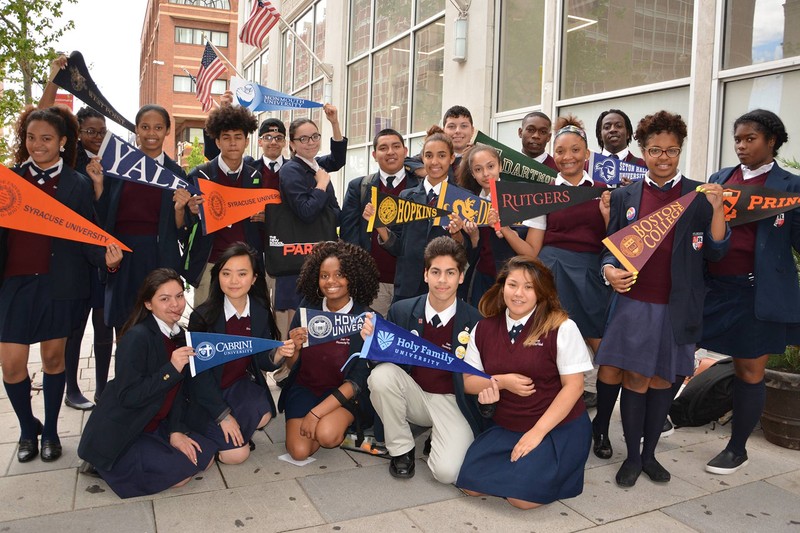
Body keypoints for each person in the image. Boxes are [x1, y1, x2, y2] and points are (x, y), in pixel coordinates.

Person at [596, 111, 728, 487]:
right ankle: (632, 456)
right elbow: (609, 250)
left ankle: (651, 453)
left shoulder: (698, 196)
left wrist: (718, 209)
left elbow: (716, 252)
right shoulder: (625, 196)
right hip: (635, 304)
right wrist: (608, 271)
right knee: (635, 378)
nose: (664, 157)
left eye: (671, 150)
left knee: (663, 382)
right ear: (643, 150)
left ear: (680, 150)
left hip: (678, 306)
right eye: (655, 150)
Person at [0, 106, 122, 464]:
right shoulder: (10, 180)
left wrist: (106, 259)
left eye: (47, 139)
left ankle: (51, 430)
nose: (37, 145)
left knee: (54, 359)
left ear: (63, 142)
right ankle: (27, 428)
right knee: (11, 365)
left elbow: (88, 235)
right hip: (14, 285)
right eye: (31, 138)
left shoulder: (77, 183)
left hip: (61, 284)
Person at [700, 109, 800, 475]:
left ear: (771, 141)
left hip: (757, 293)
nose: (741, 146)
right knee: (679, 350)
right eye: (738, 140)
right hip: (713, 287)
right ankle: (662, 418)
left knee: (749, 369)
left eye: (750, 139)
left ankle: (737, 448)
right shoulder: (720, 179)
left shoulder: (791, 186)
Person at [456, 256, 593, 509]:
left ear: (541, 292)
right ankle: (523, 469)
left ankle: (544, 468)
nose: (519, 293)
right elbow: (467, 382)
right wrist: (501, 382)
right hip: (508, 425)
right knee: (469, 484)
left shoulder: (562, 327)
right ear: (502, 286)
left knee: (521, 499)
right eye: (513, 284)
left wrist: (537, 433)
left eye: (529, 287)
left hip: (556, 427)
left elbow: (574, 387)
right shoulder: (483, 328)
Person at [77, 269, 216, 498]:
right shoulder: (136, 338)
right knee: (181, 476)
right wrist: (170, 369)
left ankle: (158, 448)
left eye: (179, 296)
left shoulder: (180, 335)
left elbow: (179, 392)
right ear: (148, 304)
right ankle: (101, 463)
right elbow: (128, 397)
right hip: (127, 428)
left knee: (206, 456)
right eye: (165, 299)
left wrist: (176, 431)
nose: (175, 305)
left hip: (156, 423)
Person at [362, 236, 483, 483]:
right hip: (414, 394)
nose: (442, 280)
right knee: (381, 376)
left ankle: (437, 436)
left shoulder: (476, 320)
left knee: (447, 473)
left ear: (461, 277)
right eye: (436, 271)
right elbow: (384, 361)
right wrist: (372, 344)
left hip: (453, 400)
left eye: (450, 273)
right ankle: (402, 449)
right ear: (425, 274)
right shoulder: (402, 310)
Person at [525, 116, 612, 407]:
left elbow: (614, 238)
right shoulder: (543, 192)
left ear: (587, 154)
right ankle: (550, 400)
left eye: (575, 150)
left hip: (590, 275)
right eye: (561, 151)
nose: (567, 157)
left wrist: (607, 214)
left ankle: (604, 405)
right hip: (552, 274)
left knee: (600, 341)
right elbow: (534, 246)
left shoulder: (603, 191)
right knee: (548, 339)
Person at [186, 242, 291, 464]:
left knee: (263, 414)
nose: (234, 281)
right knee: (237, 455)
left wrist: (279, 353)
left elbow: (263, 360)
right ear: (218, 276)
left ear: (254, 278)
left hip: (237, 386)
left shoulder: (260, 311)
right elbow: (199, 377)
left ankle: (230, 434)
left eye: (242, 274)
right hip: (206, 393)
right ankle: (211, 433)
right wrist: (223, 416)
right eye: (226, 273)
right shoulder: (203, 317)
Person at [279, 241, 379, 461]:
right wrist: (293, 348)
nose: (331, 281)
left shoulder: (365, 318)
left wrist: (316, 413)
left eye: (339, 275)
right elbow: (293, 366)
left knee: (326, 435)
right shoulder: (307, 310)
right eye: (324, 275)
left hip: (342, 395)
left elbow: (357, 381)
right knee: (299, 452)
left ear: (352, 277)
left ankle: (342, 427)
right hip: (305, 387)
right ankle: (324, 424)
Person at [92, 104, 189, 331]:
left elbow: (181, 229)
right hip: (123, 255)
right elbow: (104, 216)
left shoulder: (176, 173)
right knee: (124, 325)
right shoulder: (118, 166)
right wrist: (98, 185)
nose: (151, 133)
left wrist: (180, 208)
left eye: (158, 127)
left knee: (161, 325)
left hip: (159, 254)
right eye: (145, 127)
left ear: (167, 130)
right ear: (137, 129)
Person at [379, 126, 472, 302]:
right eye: (429, 156)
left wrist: (457, 233)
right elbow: (398, 247)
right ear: (422, 158)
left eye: (442, 155)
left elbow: (468, 251)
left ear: (452, 158)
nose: (435, 162)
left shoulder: (464, 199)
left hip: (445, 289)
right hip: (407, 288)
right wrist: (379, 226)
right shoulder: (406, 197)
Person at [275, 105, 347, 333]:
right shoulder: (290, 170)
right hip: (299, 255)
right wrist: (322, 185)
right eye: (303, 139)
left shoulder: (316, 164)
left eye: (315, 136)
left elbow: (338, 158)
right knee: (297, 321)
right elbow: (305, 211)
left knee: (316, 315)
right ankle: (287, 367)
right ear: (293, 144)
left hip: (318, 248)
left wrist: (334, 122)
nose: (311, 142)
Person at [61, 107, 115, 410]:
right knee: (76, 324)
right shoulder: (71, 162)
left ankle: (102, 387)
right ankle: (72, 388)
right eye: (90, 131)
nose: (96, 137)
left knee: (104, 320)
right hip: (78, 255)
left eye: (101, 131)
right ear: (78, 133)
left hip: (106, 251)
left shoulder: (112, 160)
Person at [185, 105, 261, 304]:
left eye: (238, 137)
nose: (233, 143)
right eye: (226, 137)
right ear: (217, 141)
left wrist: (265, 217)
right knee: (205, 327)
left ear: (246, 141)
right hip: (210, 263)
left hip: (245, 264)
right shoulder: (200, 175)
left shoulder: (255, 177)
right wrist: (190, 211)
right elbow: (184, 220)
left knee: (240, 326)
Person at [341, 128, 420, 316]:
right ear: (375, 155)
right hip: (372, 283)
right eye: (383, 148)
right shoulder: (359, 187)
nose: (390, 152)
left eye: (396, 146)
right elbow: (349, 235)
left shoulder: (420, 187)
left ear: (405, 151)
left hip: (411, 283)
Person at [457, 143, 543, 306]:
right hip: (482, 280)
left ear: (500, 166)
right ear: (473, 174)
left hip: (516, 279)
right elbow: (473, 254)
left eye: (490, 166)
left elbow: (531, 252)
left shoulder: (521, 196)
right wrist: (473, 236)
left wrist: (506, 229)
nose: (485, 174)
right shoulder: (472, 204)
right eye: (478, 169)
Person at [406, 106, 475, 179]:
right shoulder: (431, 154)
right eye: (451, 127)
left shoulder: (479, 155)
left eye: (464, 126)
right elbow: (407, 162)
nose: (458, 131)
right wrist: (428, 171)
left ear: (472, 130)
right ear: (444, 131)